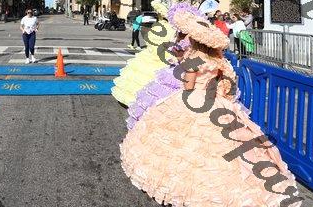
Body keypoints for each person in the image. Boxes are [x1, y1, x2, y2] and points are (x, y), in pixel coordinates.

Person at [120, 14, 301, 206]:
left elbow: (188, 86)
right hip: (214, 100)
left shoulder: (193, 59)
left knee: (185, 144)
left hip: (191, 99)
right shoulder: (216, 60)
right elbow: (225, 83)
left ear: (195, 41)